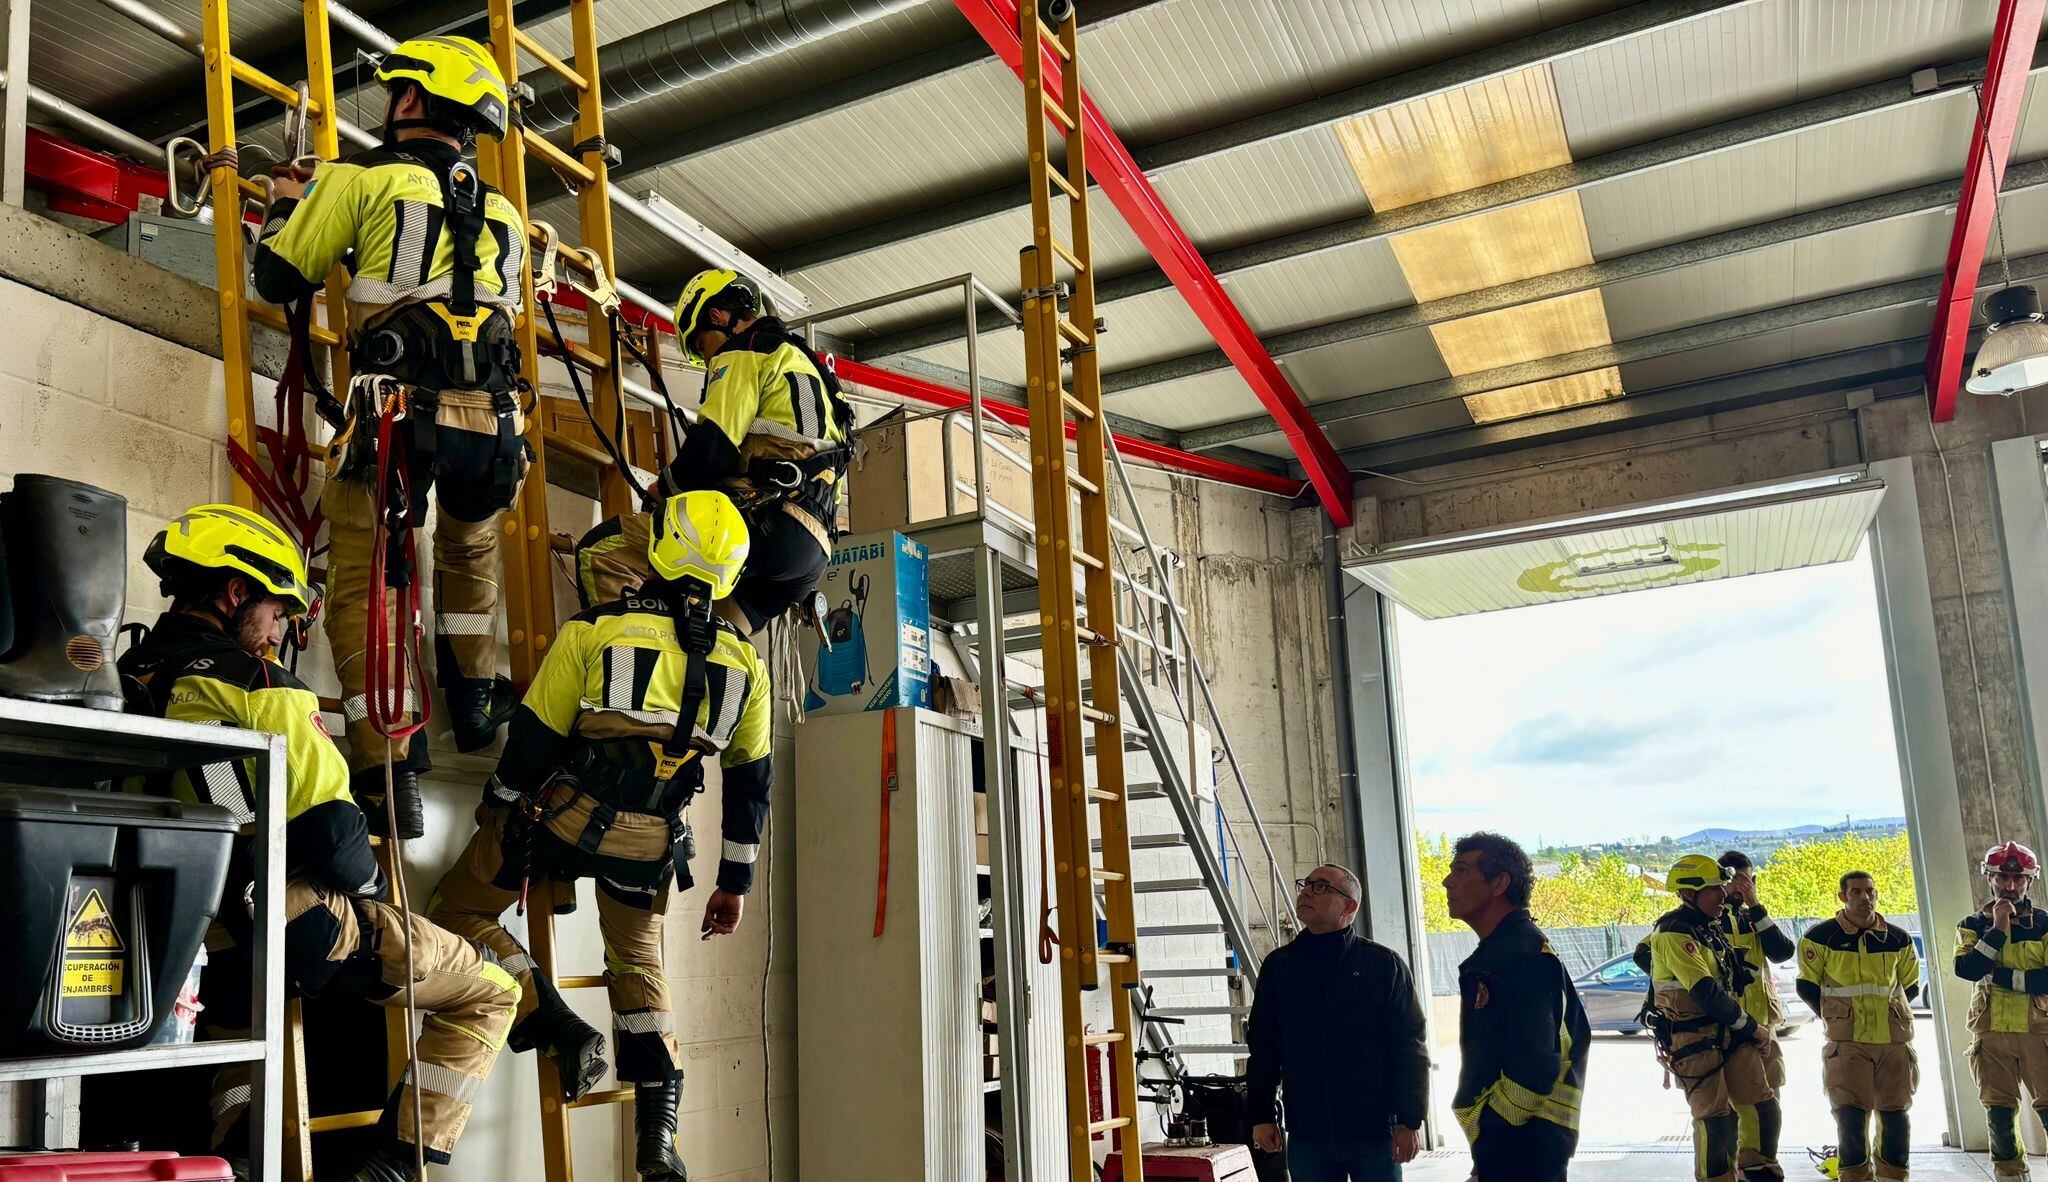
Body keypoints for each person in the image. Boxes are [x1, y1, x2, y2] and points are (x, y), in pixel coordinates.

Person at [120, 504, 517, 1182]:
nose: (278, 631)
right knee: (494, 991)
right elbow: (341, 845)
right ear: (235, 591)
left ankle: (239, 1150)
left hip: (183, 939)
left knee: (241, 1026)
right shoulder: (261, 685)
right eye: (276, 611)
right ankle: (396, 1164)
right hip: (293, 929)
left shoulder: (128, 682)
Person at [427, 489, 771, 1181]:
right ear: (732, 573)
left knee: (454, 914)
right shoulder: (748, 670)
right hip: (648, 849)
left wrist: (495, 803)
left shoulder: (595, 632)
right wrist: (734, 884)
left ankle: (550, 1017)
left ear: (662, 549)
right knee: (639, 968)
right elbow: (749, 787)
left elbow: (529, 745)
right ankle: (658, 1137)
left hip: (560, 824)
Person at [250, 35, 528, 837]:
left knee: (368, 586)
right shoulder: (507, 211)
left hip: (397, 421)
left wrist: (283, 198)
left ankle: (391, 767)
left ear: (413, 101)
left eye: (398, 88)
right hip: (495, 427)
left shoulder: (362, 180)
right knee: (470, 558)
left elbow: (276, 277)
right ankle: (474, 702)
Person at [574, 269, 851, 630]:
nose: (708, 361)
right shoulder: (811, 372)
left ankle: (619, 668)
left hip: (763, 525)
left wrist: (664, 489)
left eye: (702, 346)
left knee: (601, 549)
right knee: (715, 640)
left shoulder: (745, 350)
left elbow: (713, 445)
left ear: (717, 318)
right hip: (810, 554)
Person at [1245, 864, 1428, 1181]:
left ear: (1350, 906)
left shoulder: (1382, 965)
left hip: (1373, 1133)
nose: (1306, 891)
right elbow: (1263, 1045)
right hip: (1308, 1134)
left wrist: (1408, 1120)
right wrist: (1262, 1114)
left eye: (1321, 887)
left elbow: (1409, 1046)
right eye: (1306, 884)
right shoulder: (1280, 967)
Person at [1444, 832, 1589, 1182]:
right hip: (1521, 1144)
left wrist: (1494, 1134)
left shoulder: (1519, 957)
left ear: (1499, 884)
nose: (1447, 881)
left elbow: (1536, 1065)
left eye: (1461, 871)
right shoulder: (1506, 950)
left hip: (1523, 1146)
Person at [1637, 854, 1776, 1182]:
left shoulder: (1708, 928)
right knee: (1716, 1122)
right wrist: (1752, 1028)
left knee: (1763, 1108)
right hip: (1694, 1038)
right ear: (1689, 894)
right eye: (1714, 888)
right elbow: (1705, 991)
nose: (1723, 894)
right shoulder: (1672, 931)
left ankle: (1758, 1173)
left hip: (1726, 1031)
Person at [1796, 871, 1920, 1182]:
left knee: (1896, 1116)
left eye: (1870, 891)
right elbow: (1806, 986)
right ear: (1842, 897)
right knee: (1850, 1118)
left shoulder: (1898, 938)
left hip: (1893, 1042)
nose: (1865, 897)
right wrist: (1835, 1017)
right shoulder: (1820, 938)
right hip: (1847, 1043)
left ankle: (1893, 1177)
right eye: (1856, 892)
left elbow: (1911, 986)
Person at [1955, 841, 2048, 1181]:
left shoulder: (2045, 924)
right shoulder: (1972, 924)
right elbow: (1967, 969)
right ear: (1989, 878)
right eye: (2002, 878)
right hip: (1991, 1034)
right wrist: (1996, 928)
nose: (2010, 885)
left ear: (2030, 881)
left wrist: (2003, 976)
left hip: (2039, 1032)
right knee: (1999, 1115)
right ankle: (2010, 1176)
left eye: (2018, 878)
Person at [1718, 850, 1795, 1182]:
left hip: (1764, 1027)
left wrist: (1755, 904)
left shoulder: (1755, 917)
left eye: (1746, 879)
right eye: (1734, 879)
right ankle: (1735, 1166)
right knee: (1732, 1107)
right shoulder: (1709, 919)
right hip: (1726, 1029)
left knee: (1769, 1099)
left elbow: (1782, 952)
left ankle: (1763, 1164)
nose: (1740, 885)